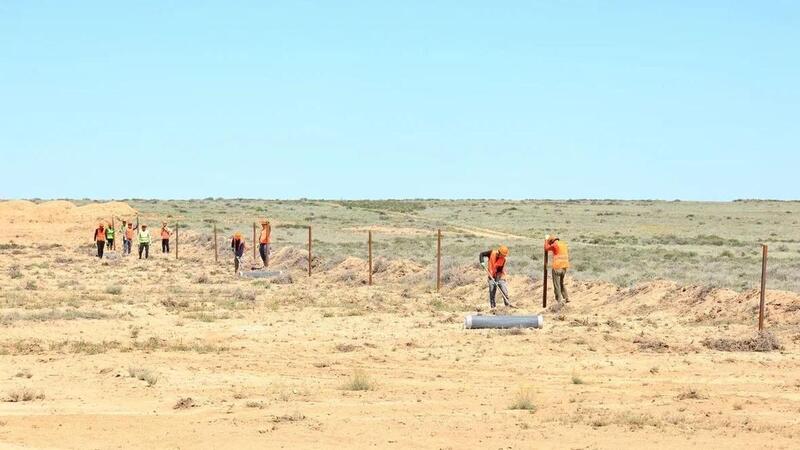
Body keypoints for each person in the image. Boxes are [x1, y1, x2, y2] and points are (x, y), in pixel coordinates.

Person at [545, 235, 570, 303]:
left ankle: (559, 300)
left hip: (557, 267)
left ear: (552, 241)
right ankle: (566, 297)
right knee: (561, 283)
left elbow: (546, 248)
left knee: (556, 285)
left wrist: (546, 240)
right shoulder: (563, 244)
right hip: (564, 267)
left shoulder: (554, 245)